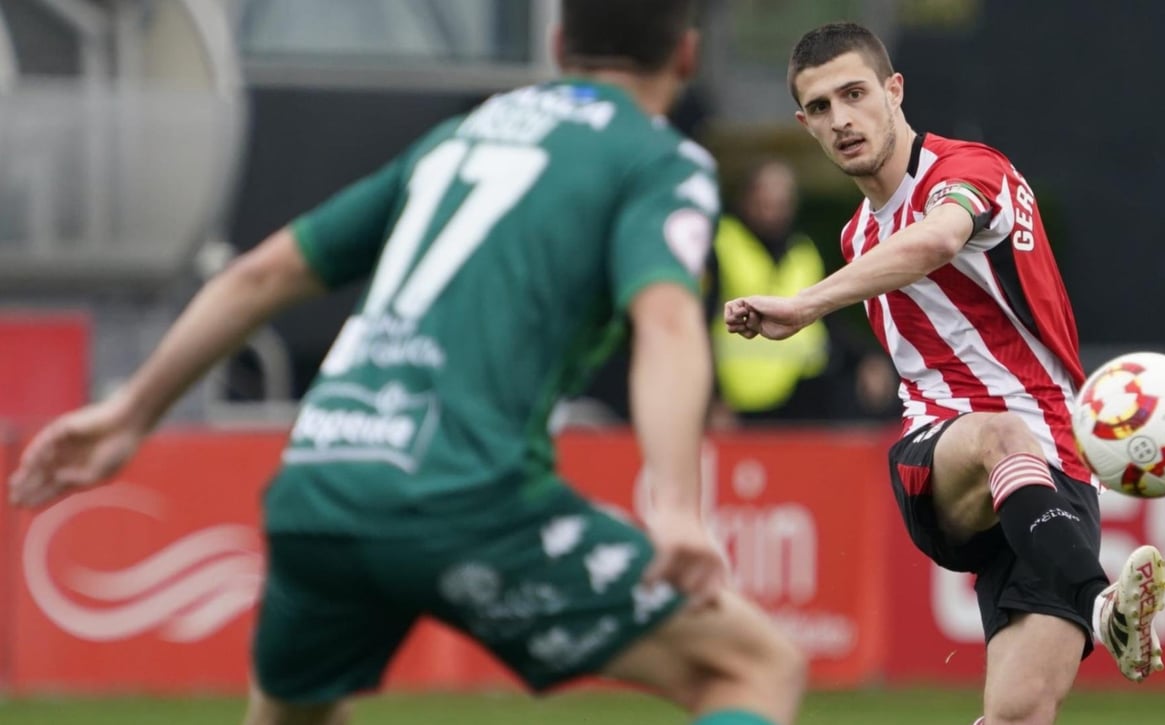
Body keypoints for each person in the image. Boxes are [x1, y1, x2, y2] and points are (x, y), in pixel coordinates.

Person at [8, 2, 808, 724]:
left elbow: (259, 273)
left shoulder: (461, 135)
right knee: (752, 664)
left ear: (560, 43)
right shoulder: (659, 161)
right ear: (688, 57)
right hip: (463, 495)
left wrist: (128, 413)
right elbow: (667, 322)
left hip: (321, 481)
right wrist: (675, 506)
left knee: (291, 714)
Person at [723, 22, 1165, 724]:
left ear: (895, 91)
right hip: (946, 461)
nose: (840, 119)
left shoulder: (969, 172)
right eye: (819, 107)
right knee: (1000, 433)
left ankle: (1094, 603)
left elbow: (937, 238)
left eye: (854, 94)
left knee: (1020, 712)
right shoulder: (856, 238)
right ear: (803, 124)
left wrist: (805, 303)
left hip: (1058, 471)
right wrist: (810, 307)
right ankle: (1104, 603)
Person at [708, 158, 898, 427]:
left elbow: (829, 316)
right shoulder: (721, 244)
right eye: (766, 200)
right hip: (741, 406)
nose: (774, 211)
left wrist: (866, 358)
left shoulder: (802, 251)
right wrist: (711, 398)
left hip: (804, 398)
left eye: (782, 202)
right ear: (746, 198)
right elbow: (698, 322)